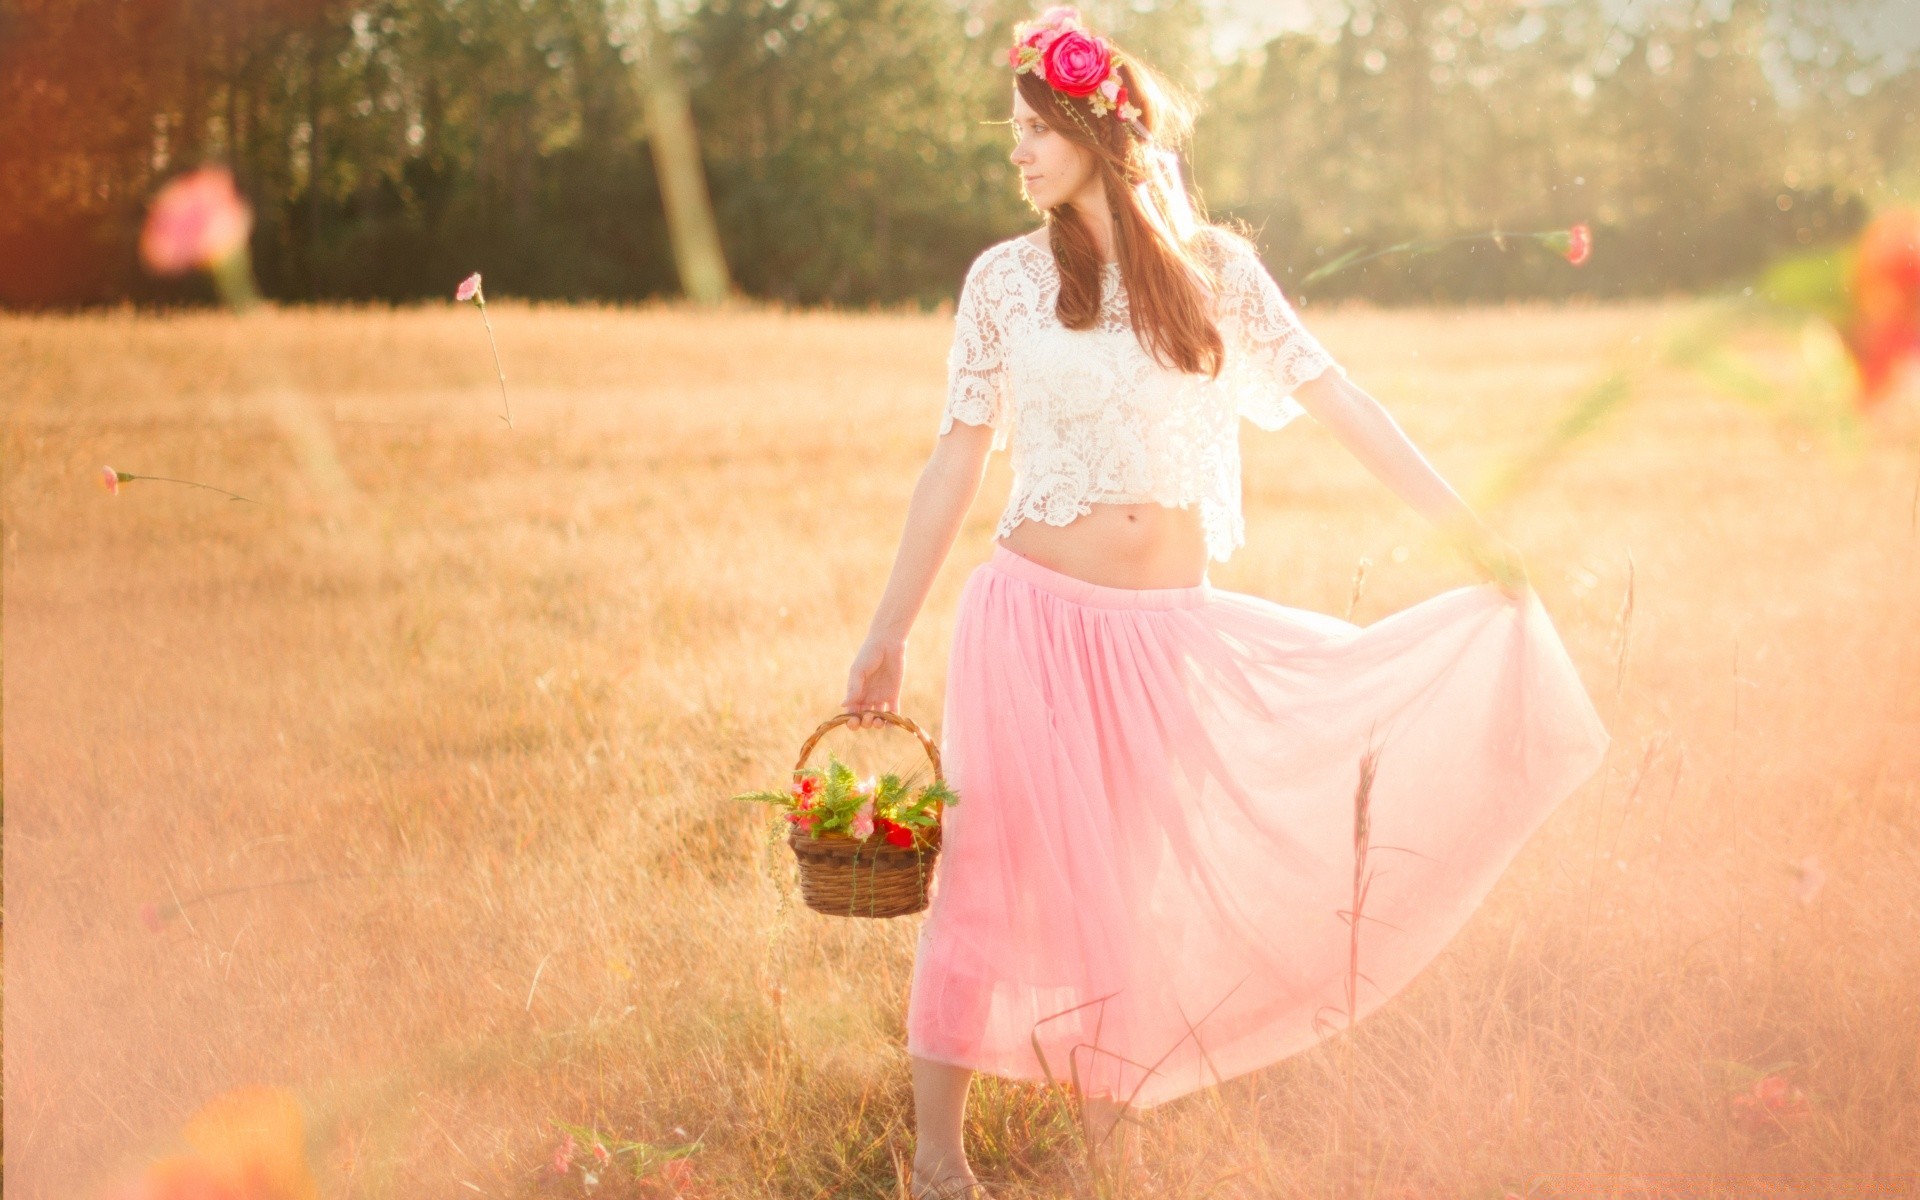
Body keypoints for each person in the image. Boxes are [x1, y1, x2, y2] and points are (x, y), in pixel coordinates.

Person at [839, 9, 1611, 1198]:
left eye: (1039, 129)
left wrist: (1475, 534)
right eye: (1015, 133)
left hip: (1169, 638)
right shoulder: (1003, 280)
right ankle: (937, 1167)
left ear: (1104, 130)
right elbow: (955, 456)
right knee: (991, 877)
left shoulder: (1217, 274)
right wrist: (886, 632)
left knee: (1128, 899)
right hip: (1031, 621)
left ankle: (1100, 1157)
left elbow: (1342, 398)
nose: (1021, 153)